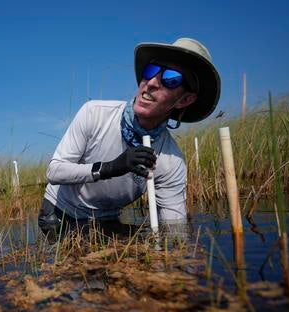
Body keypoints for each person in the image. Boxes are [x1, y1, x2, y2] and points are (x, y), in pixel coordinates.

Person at [38, 38, 221, 237]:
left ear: (184, 100)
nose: (151, 83)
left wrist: (180, 258)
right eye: (151, 71)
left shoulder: (171, 162)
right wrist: (110, 168)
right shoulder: (95, 113)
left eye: (171, 78)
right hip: (60, 212)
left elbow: (174, 229)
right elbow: (54, 172)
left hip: (106, 219)